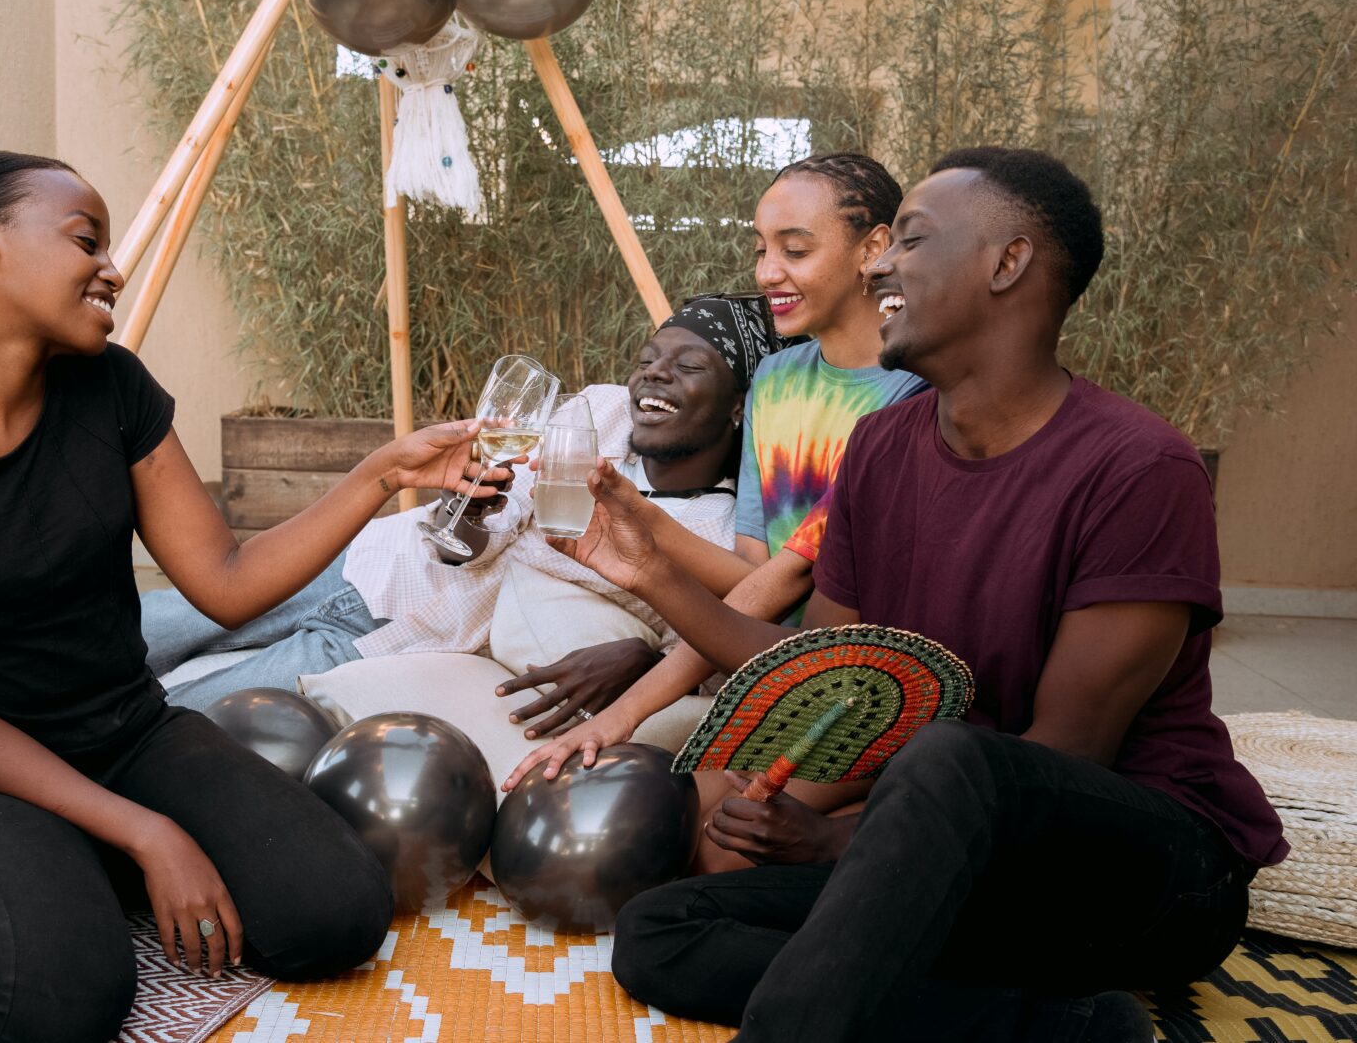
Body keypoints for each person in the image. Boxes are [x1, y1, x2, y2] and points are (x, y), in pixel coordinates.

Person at [544, 148, 1287, 1040]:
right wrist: (654, 575)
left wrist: (844, 842)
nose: (882, 263)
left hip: (1139, 873)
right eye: (884, 244)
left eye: (913, 240)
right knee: (665, 928)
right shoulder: (884, 450)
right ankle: (1065, 1030)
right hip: (954, 857)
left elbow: (1066, 756)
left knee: (946, 757)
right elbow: (830, 678)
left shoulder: (1136, 469)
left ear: (1008, 263)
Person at [0, 151, 514, 1043]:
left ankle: (67, 866)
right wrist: (149, 834)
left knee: (336, 913)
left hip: (128, 732)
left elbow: (227, 583)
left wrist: (379, 476)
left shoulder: (112, 390)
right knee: (54, 1002)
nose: (113, 267)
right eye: (85, 239)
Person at [505, 155, 923, 871]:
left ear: (873, 250)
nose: (767, 272)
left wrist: (624, 705)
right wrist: (635, 514)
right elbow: (754, 577)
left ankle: (873, 813)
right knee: (642, 827)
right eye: (761, 249)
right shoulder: (776, 376)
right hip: (760, 671)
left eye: (795, 249)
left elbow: (788, 582)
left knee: (703, 852)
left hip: (857, 690)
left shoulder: (909, 398)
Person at [141, 294, 777, 736]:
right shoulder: (600, 414)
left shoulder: (718, 533)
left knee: (178, 712)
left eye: (688, 367)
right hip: (368, 562)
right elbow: (477, 533)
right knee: (137, 629)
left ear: (738, 407)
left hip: (398, 635)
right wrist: (470, 507)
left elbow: (704, 643)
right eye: (646, 360)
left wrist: (637, 657)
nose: (652, 378)